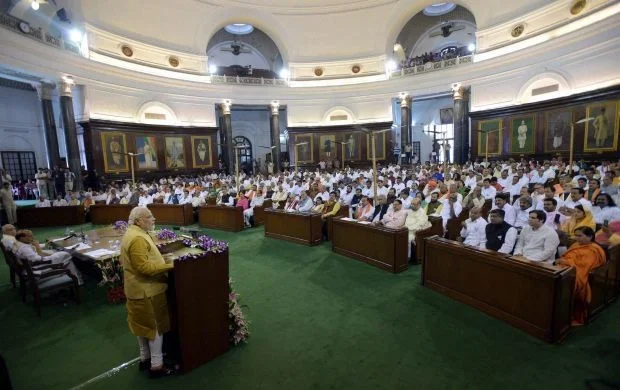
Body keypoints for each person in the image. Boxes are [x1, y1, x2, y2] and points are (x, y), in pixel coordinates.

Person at [119, 207, 177, 378]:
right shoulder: (137, 238)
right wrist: (171, 265)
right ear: (139, 220)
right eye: (149, 217)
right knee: (154, 328)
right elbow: (144, 267)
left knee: (142, 326)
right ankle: (157, 366)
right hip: (147, 290)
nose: (153, 219)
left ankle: (145, 359)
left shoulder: (133, 233)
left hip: (137, 289)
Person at [556, 227, 606, 325]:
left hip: (580, 272)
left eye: (580, 236)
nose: (576, 238)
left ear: (590, 236)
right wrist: (563, 261)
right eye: (576, 235)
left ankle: (567, 314)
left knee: (570, 283)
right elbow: (567, 256)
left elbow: (584, 265)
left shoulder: (593, 250)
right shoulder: (576, 244)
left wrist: (565, 261)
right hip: (566, 267)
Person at [14, 229, 83, 284]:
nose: (32, 237)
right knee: (66, 255)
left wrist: (42, 248)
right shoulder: (25, 249)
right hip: (38, 268)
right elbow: (38, 259)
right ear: (22, 238)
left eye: (32, 235)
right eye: (29, 236)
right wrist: (51, 256)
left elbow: (34, 252)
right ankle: (75, 279)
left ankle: (76, 278)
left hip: (32, 266)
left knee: (63, 256)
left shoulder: (21, 244)